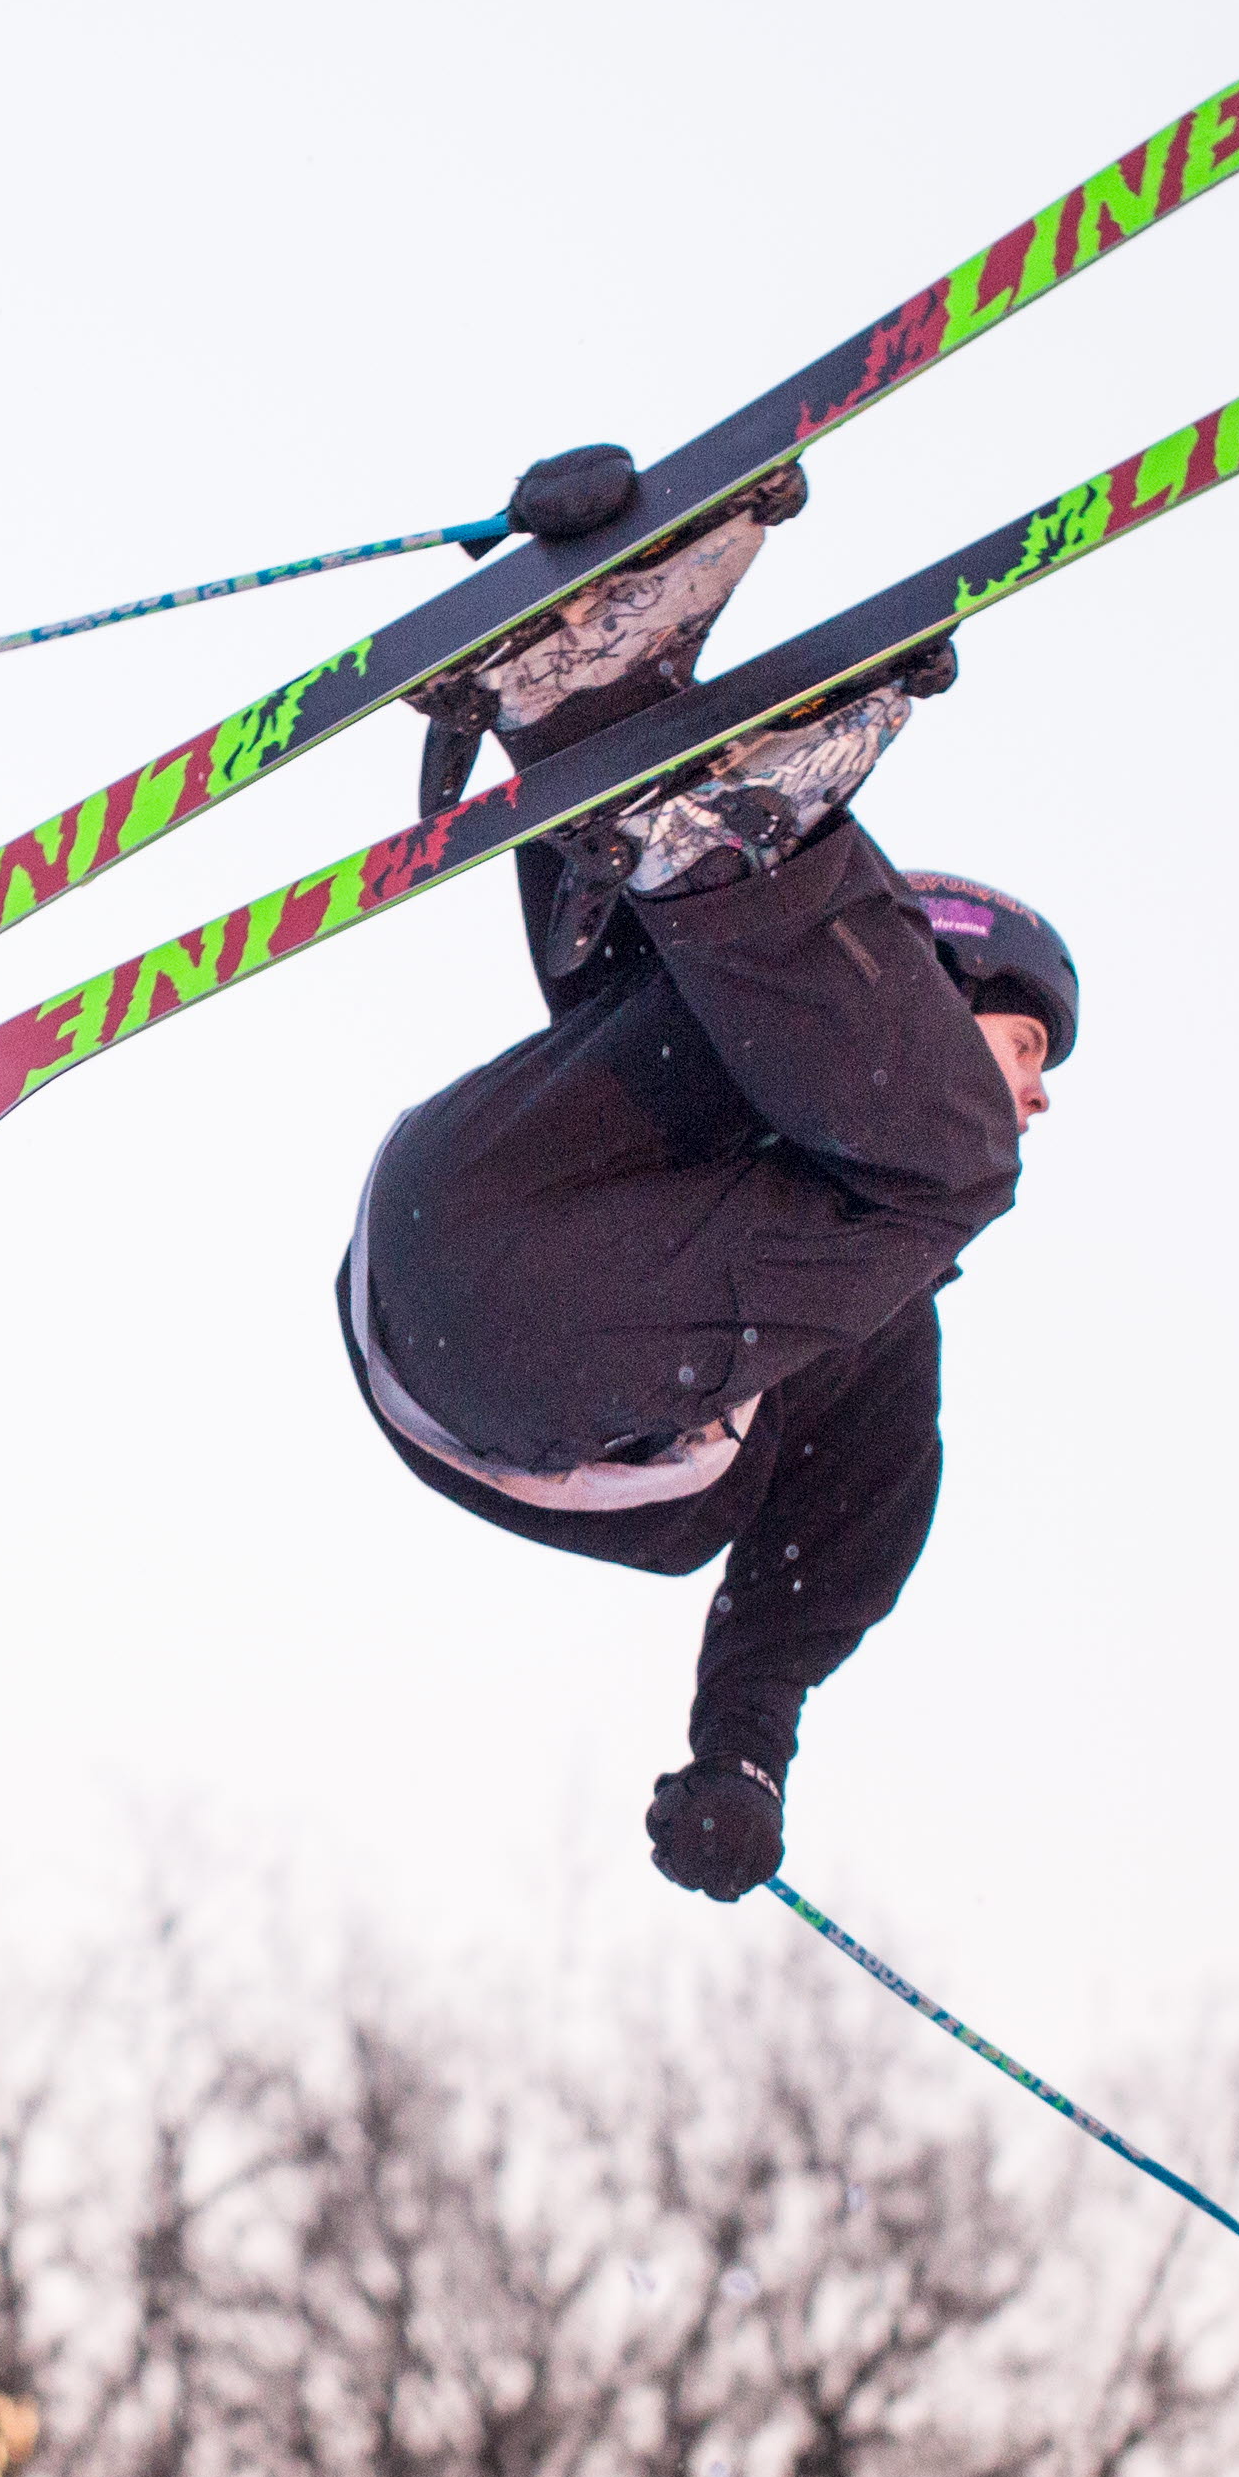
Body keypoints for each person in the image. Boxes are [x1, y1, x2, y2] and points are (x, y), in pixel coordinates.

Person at [332, 467, 1081, 1902]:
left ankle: (595, 718)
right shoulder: (905, 1221)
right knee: (939, 1168)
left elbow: (810, 1570)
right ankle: (596, 704)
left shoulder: (864, 1324)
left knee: (749, 1037)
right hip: (490, 1295)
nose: (1040, 1090)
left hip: (448, 1265)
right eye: (1026, 1040)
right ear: (933, 984)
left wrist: (740, 1756)